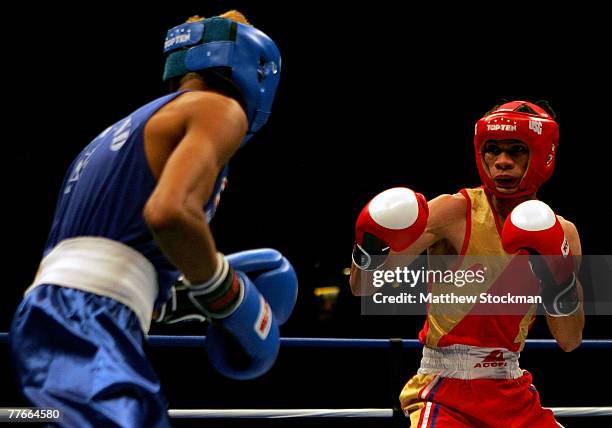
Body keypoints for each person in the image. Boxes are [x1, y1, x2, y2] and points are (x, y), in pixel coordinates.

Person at [10, 10, 297, 428]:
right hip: (87, 319)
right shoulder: (219, 109)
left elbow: (99, 255)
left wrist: (168, 293)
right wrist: (225, 293)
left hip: (71, 316)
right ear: (252, 65)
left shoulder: (112, 136)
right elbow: (169, 214)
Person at [350, 100, 584, 427]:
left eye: (516, 150)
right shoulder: (454, 211)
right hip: (445, 390)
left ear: (543, 154)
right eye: (492, 150)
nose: (501, 162)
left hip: (511, 391)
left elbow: (570, 341)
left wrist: (559, 277)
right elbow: (364, 287)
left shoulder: (564, 233)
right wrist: (369, 245)